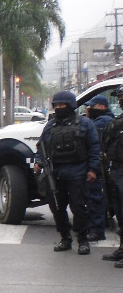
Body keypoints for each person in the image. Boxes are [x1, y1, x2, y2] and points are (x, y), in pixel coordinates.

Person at [33, 90, 99, 255]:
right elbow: (42, 146)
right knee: (56, 206)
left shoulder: (84, 123)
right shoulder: (51, 125)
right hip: (56, 173)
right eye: (57, 105)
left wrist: (92, 169)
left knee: (78, 207)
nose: (59, 108)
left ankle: (82, 239)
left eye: (62, 105)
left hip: (78, 171)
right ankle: (65, 237)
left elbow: (94, 147)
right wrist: (38, 162)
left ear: (70, 106)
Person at [85, 95, 113, 242]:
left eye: (92, 107)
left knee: (95, 197)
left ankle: (96, 230)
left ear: (102, 107)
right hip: (104, 166)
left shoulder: (103, 122)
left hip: (100, 166)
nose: (88, 109)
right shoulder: (105, 120)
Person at [101, 86, 123, 266]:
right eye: (120, 97)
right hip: (115, 170)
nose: (121, 99)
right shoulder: (117, 122)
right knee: (119, 211)